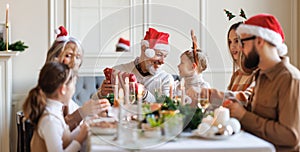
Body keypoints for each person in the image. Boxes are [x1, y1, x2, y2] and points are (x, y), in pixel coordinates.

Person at [225, 14, 300, 151]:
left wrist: (243, 115)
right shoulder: (260, 75)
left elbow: (291, 136)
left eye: (244, 42)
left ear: (259, 41)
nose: (241, 48)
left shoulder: (289, 78)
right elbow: (255, 116)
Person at [46, 26, 110, 130]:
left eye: (77, 57)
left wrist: (100, 97)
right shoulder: (50, 87)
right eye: (68, 55)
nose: (74, 62)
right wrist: (83, 112)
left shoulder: (67, 84)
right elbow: (59, 128)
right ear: (55, 58)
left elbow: (77, 118)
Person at [22, 62, 89, 151]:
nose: (74, 89)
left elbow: (65, 140)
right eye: (73, 84)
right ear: (63, 89)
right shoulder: (50, 119)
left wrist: (83, 128)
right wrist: (79, 140)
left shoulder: (54, 111)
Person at [98, 27, 174, 102]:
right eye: (159, 54)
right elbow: (94, 102)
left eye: (165, 56)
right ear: (144, 49)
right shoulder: (119, 70)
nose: (162, 61)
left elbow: (166, 107)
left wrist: (144, 93)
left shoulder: (166, 79)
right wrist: (101, 94)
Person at [177, 31, 210, 106]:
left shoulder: (203, 88)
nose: (178, 66)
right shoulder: (179, 86)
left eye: (182, 63)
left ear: (193, 67)